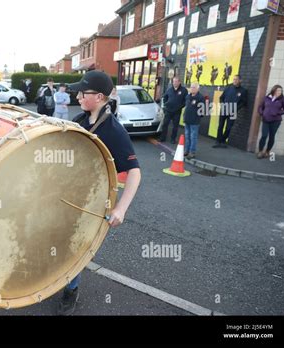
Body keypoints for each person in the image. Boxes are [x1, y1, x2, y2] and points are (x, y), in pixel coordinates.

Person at [58, 71, 142, 315]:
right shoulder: (80, 119)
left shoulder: (114, 131)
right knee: (60, 241)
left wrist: (121, 209)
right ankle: (56, 277)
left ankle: (71, 289)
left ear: (100, 97)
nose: (78, 95)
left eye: (83, 93)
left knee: (76, 248)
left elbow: (135, 172)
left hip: (92, 203)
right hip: (69, 195)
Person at [213, 74, 248, 148]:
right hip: (224, 110)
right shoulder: (228, 87)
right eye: (234, 79)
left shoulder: (243, 91)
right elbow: (221, 98)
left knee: (228, 127)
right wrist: (223, 105)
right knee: (220, 126)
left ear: (240, 81)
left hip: (233, 112)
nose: (234, 81)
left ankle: (223, 141)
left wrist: (236, 108)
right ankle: (218, 141)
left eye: (236, 79)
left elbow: (244, 102)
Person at [257, 85, 284, 159]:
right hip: (266, 120)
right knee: (264, 135)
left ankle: (267, 151)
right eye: (278, 90)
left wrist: (278, 112)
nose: (279, 92)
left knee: (272, 136)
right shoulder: (266, 98)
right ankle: (260, 151)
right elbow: (260, 107)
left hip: (275, 121)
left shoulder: (283, 99)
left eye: (280, 91)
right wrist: (262, 113)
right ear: (274, 90)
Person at [160, 77, 188, 144]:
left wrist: (180, 106)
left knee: (175, 126)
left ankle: (173, 139)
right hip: (168, 110)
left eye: (176, 81)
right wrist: (166, 104)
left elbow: (186, 100)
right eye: (173, 82)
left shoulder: (184, 90)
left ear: (179, 82)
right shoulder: (169, 89)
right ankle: (163, 138)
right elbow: (165, 97)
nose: (174, 83)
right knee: (165, 124)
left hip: (177, 111)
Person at [183, 83, 206, 159]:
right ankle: (186, 150)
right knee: (187, 136)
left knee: (193, 137)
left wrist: (198, 117)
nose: (191, 88)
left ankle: (192, 152)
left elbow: (202, 110)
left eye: (193, 87)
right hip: (187, 120)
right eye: (191, 87)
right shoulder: (188, 96)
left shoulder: (200, 98)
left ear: (197, 89)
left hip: (194, 121)